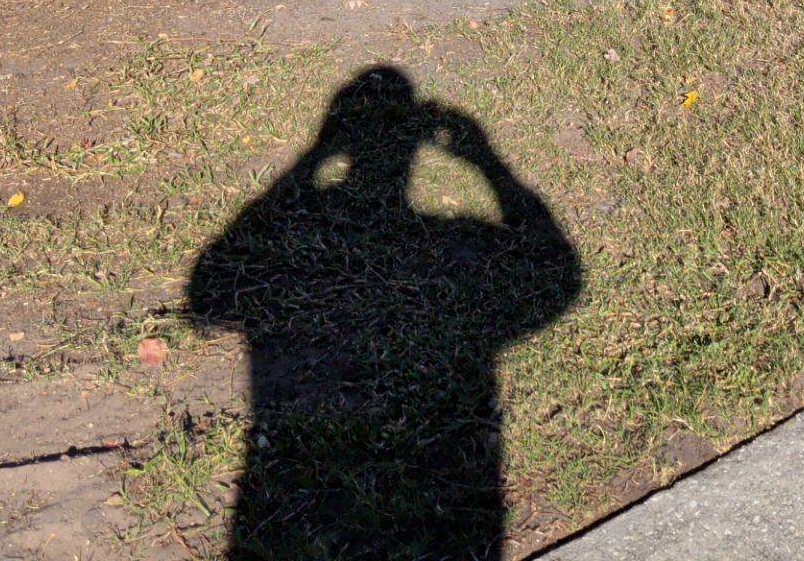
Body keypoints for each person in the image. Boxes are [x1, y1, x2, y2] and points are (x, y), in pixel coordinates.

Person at [188, 68, 581, 558]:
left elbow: (210, 286)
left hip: (289, 493)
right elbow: (557, 276)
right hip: (450, 493)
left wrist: (316, 154)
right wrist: (485, 161)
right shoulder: (446, 245)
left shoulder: (322, 233)